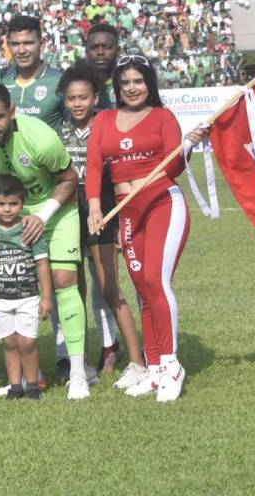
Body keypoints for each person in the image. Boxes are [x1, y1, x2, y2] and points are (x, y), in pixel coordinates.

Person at [0, 82, 90, 399]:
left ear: (12, 112)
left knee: (63, 280)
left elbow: (70, 179)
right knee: (10, 282)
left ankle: (77, 372)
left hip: (55, 210)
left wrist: (43, 216)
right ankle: (28, 376)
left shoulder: (41, 138)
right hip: (9, 215)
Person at [87, 55, 193, 401]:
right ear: (117, 88)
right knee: (142, 288)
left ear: (150, 84)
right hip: (126, 211)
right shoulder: (103, 119)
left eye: (138, 81)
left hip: (162, 203)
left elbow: (173, 166)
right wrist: (93, 208)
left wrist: (187, 144)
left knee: (156, 282)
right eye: (125, 83)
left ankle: (172, 365)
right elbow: (93, 167)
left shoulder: (163, 117)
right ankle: (155, 365)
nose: (132, 88)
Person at [58, 61, 146, 386]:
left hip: (102, 211)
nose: (78, 103)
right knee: (74, 291)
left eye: (84, 97)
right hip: (68, 215)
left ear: (96, 97)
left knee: (110, 287)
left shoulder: (109, 124)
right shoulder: (59, 131)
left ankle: (137, 362)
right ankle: (81, 366)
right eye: (71, 98)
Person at [0, 176, 53, 401]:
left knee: (28, 342)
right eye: (0, 204)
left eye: (13, 204)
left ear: (22, 202)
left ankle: (33, 384)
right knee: (9, 342)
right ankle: (15, 385)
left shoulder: (30, 228)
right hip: (0, 298)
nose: (7, 209)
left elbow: (42, 264)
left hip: (28, 296)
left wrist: (46, 297)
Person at [0, 14, 65, 130]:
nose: (21, 51)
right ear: (8, 45)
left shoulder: (60, 81)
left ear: (42, 43)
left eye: (28, 43)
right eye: (15, 44)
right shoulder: (1, 78)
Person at [83, 23, 120, 109]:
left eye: (107, 47)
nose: (100, 52)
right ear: (86, 52)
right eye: (94, 47)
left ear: (118, 50)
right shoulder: (76, 84)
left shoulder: (128, 82)